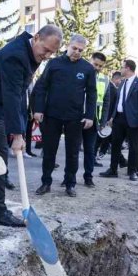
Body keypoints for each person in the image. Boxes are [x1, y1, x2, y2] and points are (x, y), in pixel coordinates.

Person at [0, 25, 63, 226]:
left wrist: (19, 127)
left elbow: (20, 92)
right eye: (46, 50)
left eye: (52, 53)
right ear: (36, 38)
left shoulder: (32, 51)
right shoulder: (16, 56)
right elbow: (12, 95)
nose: (47, 56)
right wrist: (18, 135)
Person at [32, 34, 97, 197]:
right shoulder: (54, 63)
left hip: (75, 117)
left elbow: (92, 94)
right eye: (74, 48)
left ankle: (70, 184)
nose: (77, 52)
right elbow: (41, 87)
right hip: (52, 115)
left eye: (80, 50)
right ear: (68, 45)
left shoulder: (87, 68)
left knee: (73, 152)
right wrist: (38, 109)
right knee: (49, 151)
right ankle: (46, 182)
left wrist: (90, 116)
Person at [100, 59, 138, 181]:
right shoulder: (122, 82)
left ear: (128, 68)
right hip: (119, 118)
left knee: (134, 146)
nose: (120, 69)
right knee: (115, 145)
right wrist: (112, 117)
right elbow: (118, 101)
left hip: (133, 120)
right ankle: (113, 170)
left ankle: (132, 171)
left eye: (122, 67)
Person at [81, 52, 111, 187]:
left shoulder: (105, 80)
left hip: (94, 120)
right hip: (77, 117)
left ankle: (88, 177)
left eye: (100, 66)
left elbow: (106, 102)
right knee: (72, 151)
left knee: (90, 150)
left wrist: (103, 121)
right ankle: (68, 178)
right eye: (95, 64)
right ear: (90, 60)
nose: (97, 67)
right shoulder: (80, 74)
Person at [97, 71, 123, 159]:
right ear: (116, 79)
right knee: (103, 137)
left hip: (107, 118)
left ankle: (120, 159)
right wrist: (110, 118)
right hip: (108, 118)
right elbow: (109, 105)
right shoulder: (112, 89)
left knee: (106, 138)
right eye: (120, 80)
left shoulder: (112, 88)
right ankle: (100, 153)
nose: (120, 82)